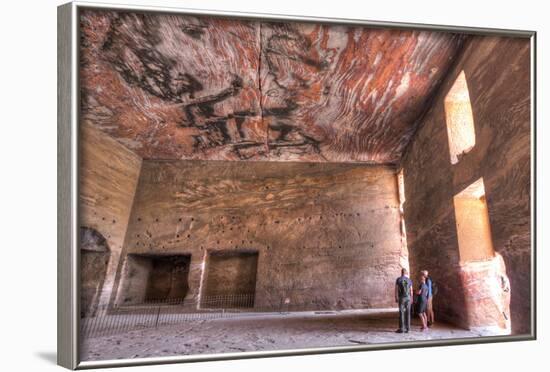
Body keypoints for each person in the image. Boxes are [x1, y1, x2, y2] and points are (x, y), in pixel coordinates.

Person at [395, 268, 413, 333]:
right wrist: (412, 298)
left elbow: (396, 289)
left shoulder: (398, 279)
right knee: (408, 313)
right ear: (406, 273)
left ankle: (401, 328)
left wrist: (396, 297)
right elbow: (411, 290)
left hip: (402, 298)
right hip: (408, 298)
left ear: (401, 272)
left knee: (401, 313)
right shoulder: (409, 280)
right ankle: (408, 329)